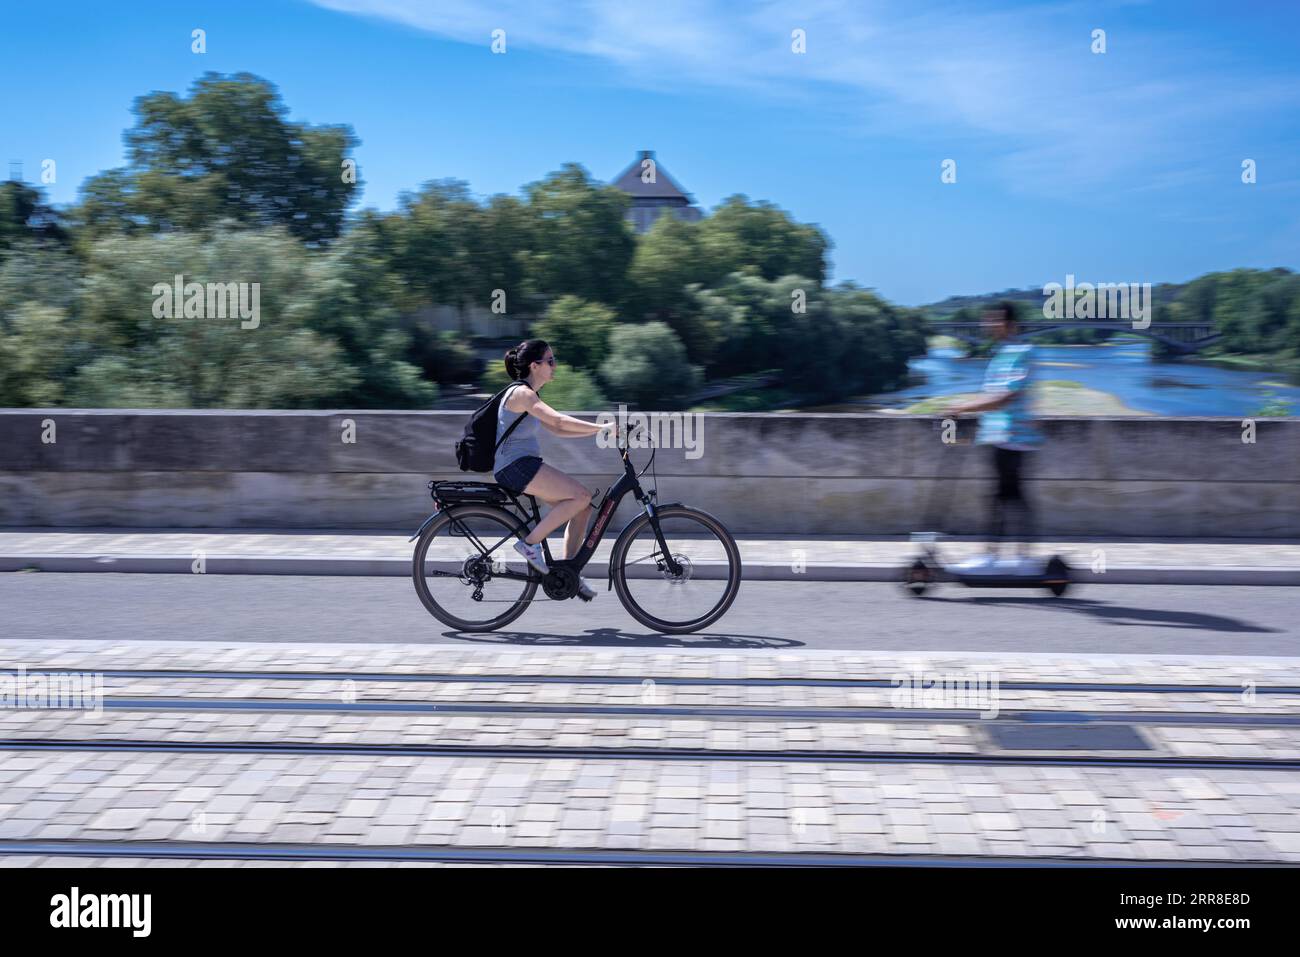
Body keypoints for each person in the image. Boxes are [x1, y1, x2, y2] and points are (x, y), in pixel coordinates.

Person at [493, 339, 615, 600]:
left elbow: (558, 428)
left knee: (582, 507)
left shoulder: (531, 395)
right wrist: (602, 428)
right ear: (535, 366)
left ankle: (570, 571)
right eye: (550, 361)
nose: (554, 365)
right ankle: (529, 544)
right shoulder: (521, 393)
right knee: (580, 495)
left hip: (523, 465)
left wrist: (598, 434)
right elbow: (558, 419)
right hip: (516, 467)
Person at [944, 301, 1043, 569]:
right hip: (998, 434)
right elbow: (992, 396)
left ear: (1011, 324)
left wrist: (963, 408)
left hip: (1014, 435)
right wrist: (964, 406)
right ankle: (1016, 557)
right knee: (1008, 495)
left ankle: (998, 556)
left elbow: (1005, 397)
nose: (988, 325)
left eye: (995, 320)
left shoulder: (1021, 352)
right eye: (988, 320)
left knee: (1004, 495)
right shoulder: (1001, 354)